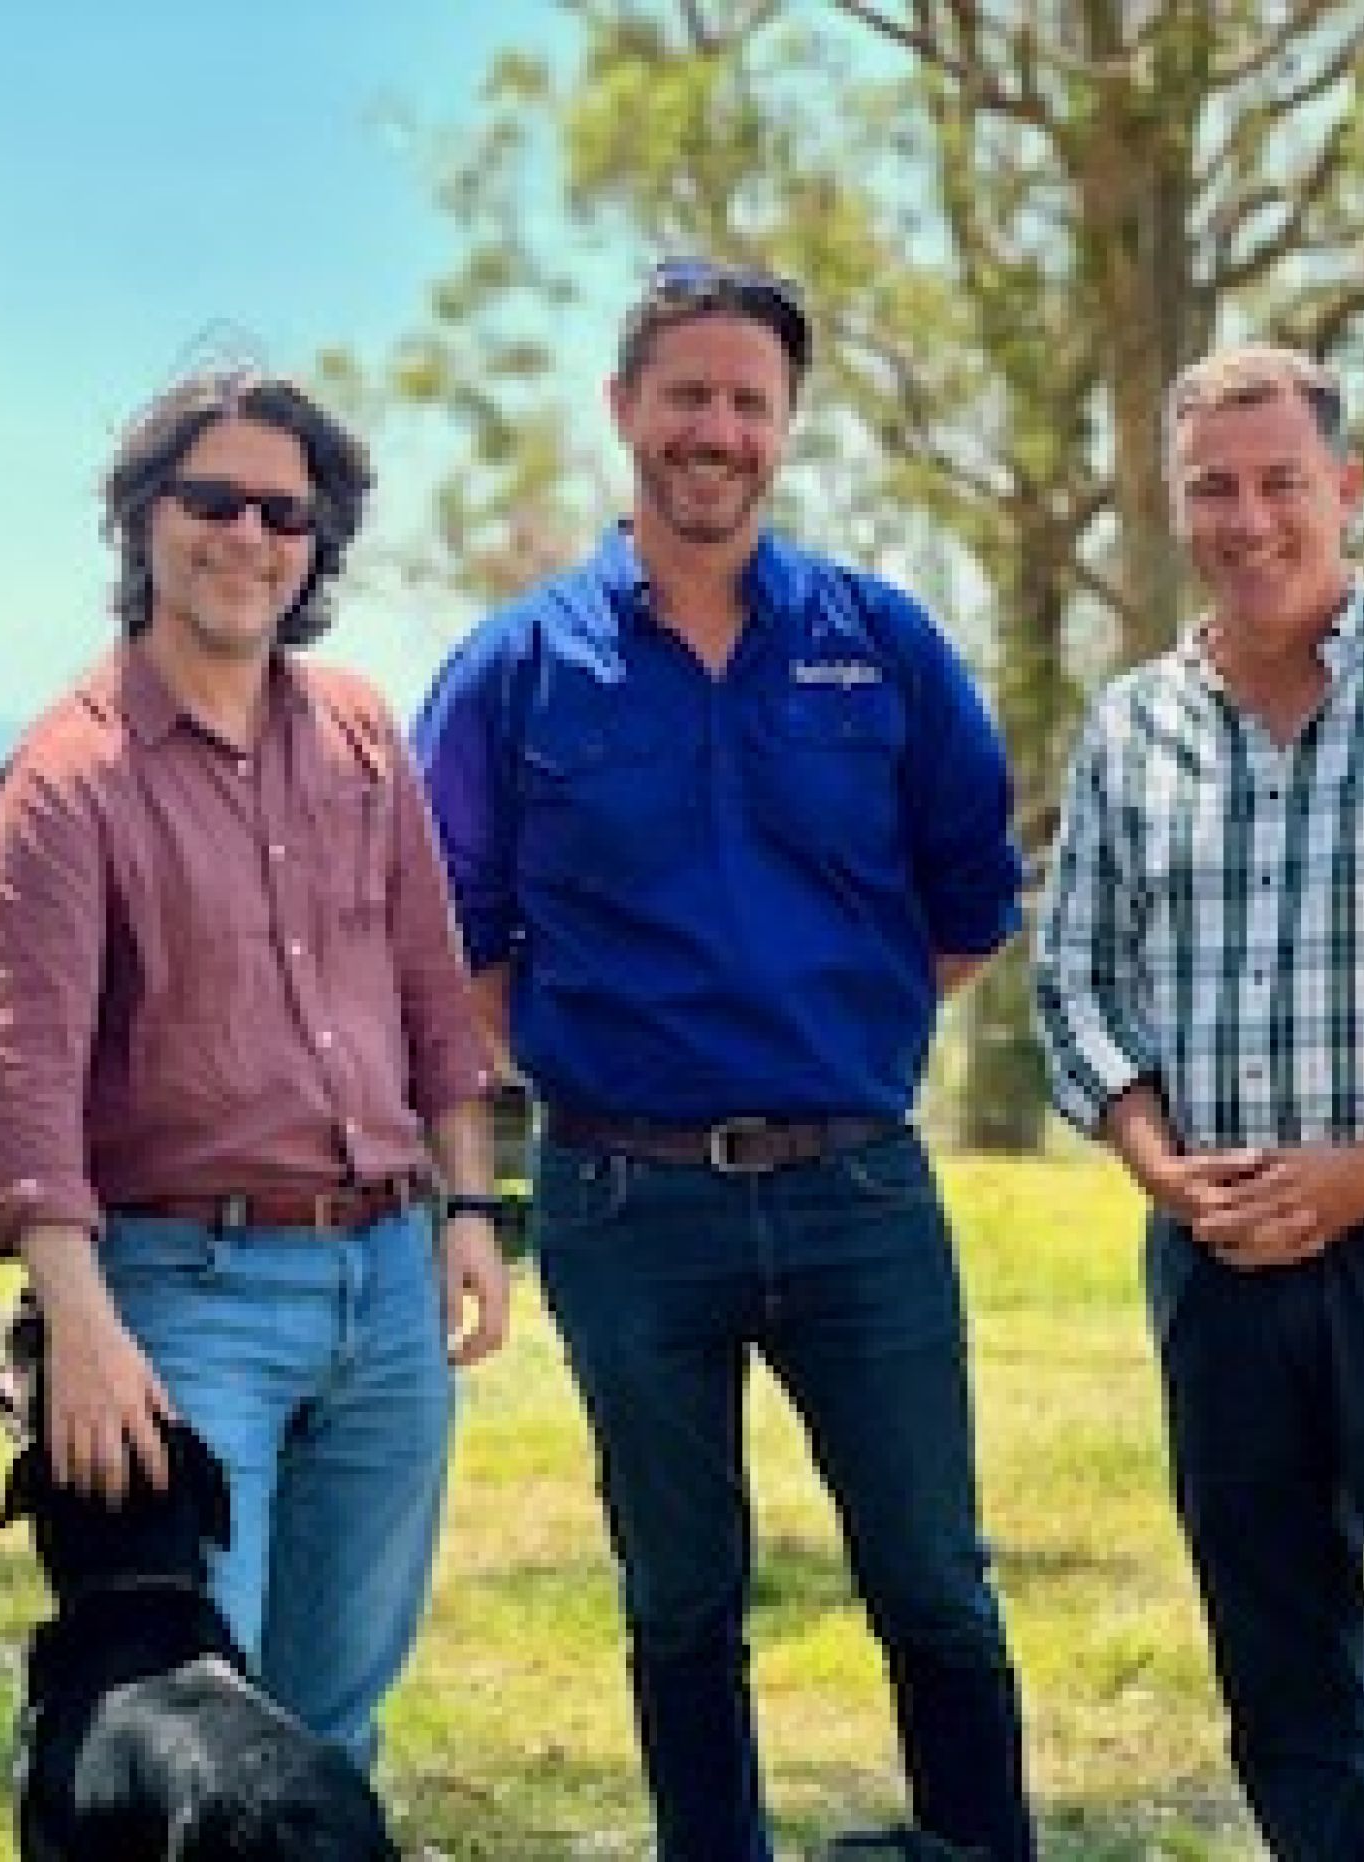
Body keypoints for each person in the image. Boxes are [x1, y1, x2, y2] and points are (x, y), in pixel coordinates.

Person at [412, 258, 1037, 1860]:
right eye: (685, 394)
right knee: (680, 1603)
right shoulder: (512, 670)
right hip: (629, 1202)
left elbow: (969, 896)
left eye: (748, 401)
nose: (717, 429)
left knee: (933, 1588)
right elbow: (445, 932)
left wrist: (845, 1028)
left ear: (784, 427)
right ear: (622, 409)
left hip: (858, 1193)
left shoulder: (879, 646)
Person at [0, 366, 510, 1772]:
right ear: (143, 518)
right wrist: (79, 1327)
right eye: (213, 500)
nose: (247, 535)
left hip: (386, 1287)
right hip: (184, 1305)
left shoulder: (363, 734)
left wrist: (467, 1210)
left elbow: (430, 991)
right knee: (188, 1732)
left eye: (283, 510)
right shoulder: (65, 780)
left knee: (330, 1735)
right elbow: (19, 1079)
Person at [1034, 343, 1364, 1858]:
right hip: (1214, 1270)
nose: (1245, 518)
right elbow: (1076, 982)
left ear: (1343, 488)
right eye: (1209, 489)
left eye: (1277, 481)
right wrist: (1158, 1164)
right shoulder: (1127, 729)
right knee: (1268, 1630)